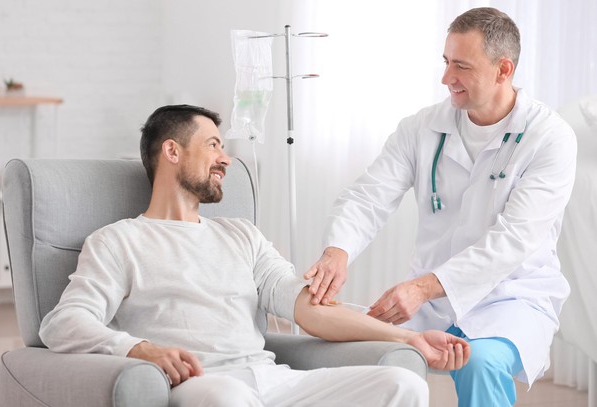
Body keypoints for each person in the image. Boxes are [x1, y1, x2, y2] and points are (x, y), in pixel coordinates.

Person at [39, 105, 471, 407]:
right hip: (205, 385)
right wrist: (141, 349)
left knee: (401, 386)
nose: (225, 158)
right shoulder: (118, 241)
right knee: (228, 399)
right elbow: (64, 323)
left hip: (271, 379)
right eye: (212, 145)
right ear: (172, 151)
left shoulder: (241, 235)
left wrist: (409, 338)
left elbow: (311, 310)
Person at [304, 7, 576, 407]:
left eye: (461, 66)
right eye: (446, 62)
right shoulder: (421, 128)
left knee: (478, 361)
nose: (446, 78)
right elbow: (369, 195)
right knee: (376, 357)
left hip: (510, 297)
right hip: (430, 303)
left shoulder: (549, 138)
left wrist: (419, 288)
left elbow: (515, 239)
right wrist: (337, 250)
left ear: (503, 69)